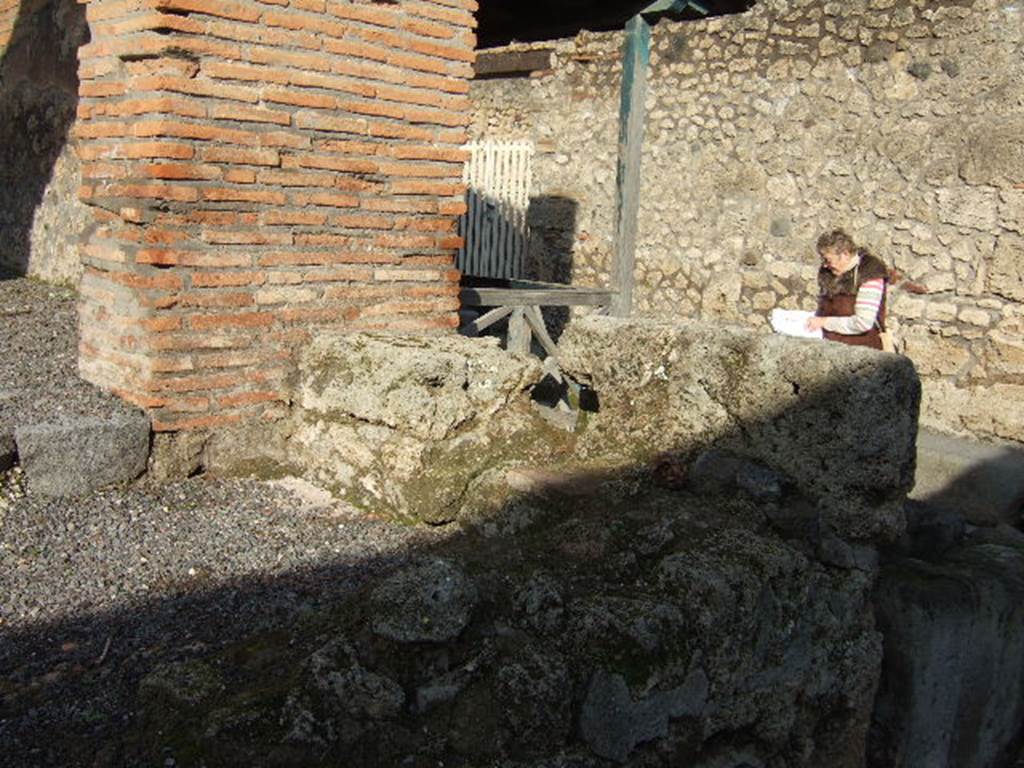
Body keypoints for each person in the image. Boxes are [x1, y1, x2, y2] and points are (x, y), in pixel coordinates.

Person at [806, 229, 889, 350]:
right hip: (830, 349)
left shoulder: (869, 275)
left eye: (828, 260)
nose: (825, 265)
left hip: (862, 352)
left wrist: (824, 322)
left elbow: (863, 323)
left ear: (845, 254)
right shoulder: (829, 274)